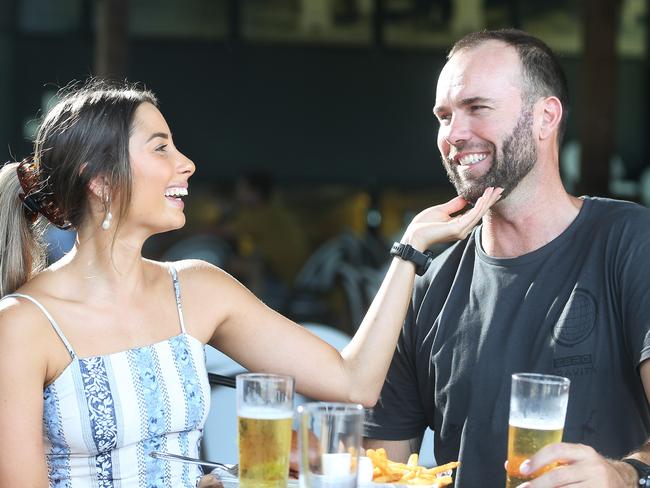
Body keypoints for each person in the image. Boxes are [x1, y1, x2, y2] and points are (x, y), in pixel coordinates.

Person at [0, 79, 501, 488]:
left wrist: (409, 249)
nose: (187, 163)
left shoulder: (196, 290)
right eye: (161, 148)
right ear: (100, 180)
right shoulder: (23, 326)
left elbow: (355, 383)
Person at [363, 28, 650, 488]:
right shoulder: (426, 288)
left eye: (477, 108)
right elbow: (379, 467)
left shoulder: (629, 241)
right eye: (443, 116)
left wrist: (623, 474)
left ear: (545, 117)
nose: (454, 134)